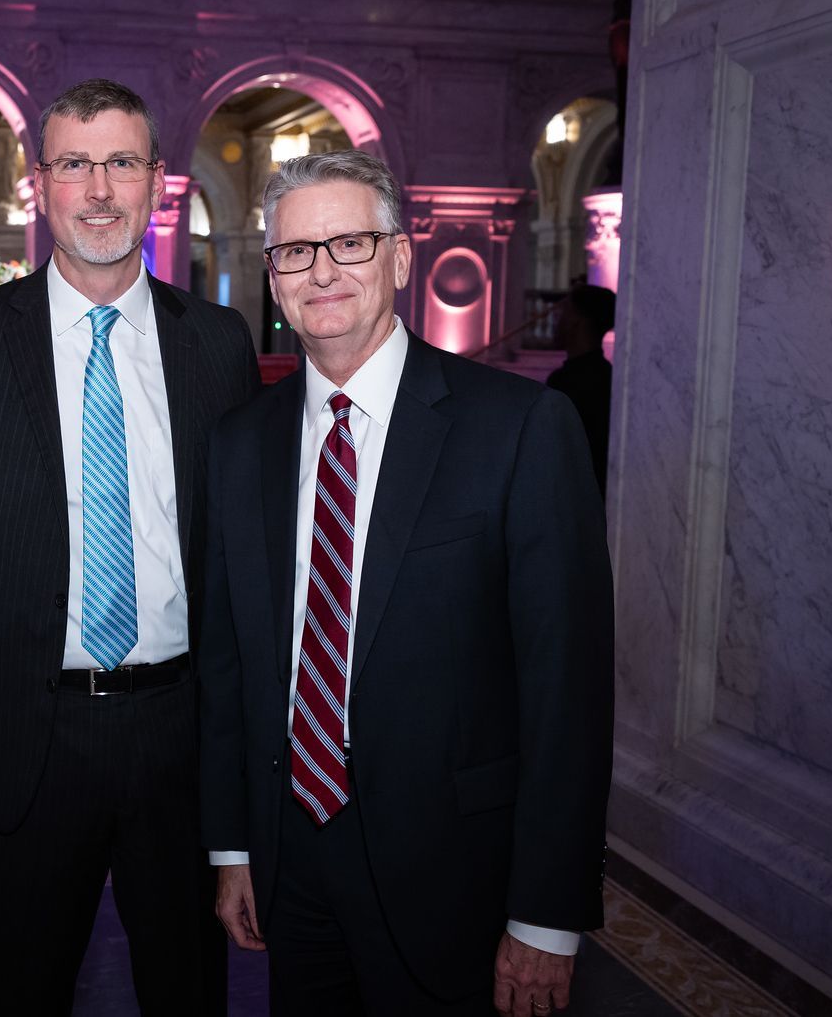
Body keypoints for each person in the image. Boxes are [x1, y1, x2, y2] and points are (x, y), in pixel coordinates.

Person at [199, 151, 613, 1016]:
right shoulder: (240, 443)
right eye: (296, 252)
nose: (322, 271)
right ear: (273, 277)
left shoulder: (520, 428)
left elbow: (566, 689)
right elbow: (232, 663)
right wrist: (233, 847)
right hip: (292, 857)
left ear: (399, 256)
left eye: (349, 242)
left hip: (455, 869)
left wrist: (545, 915)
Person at [0, 78, 260, 1016]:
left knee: (190, 986)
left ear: (157, 181)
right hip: (32, 733)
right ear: (41, 184)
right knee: (27, 984)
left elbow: (241, 551)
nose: (99, 189)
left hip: (180, 734)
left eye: (120, 163)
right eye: (75, 164)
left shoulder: (219, 344)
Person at [546, 284, 615, 495]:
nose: (556, 321)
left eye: (563, 312)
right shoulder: (608, 376)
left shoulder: (567, 382)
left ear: (576, 319)